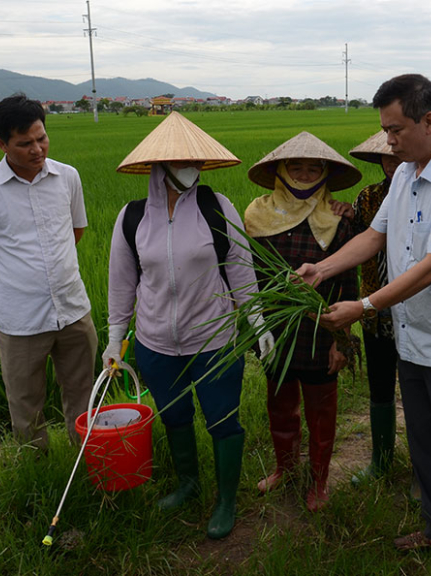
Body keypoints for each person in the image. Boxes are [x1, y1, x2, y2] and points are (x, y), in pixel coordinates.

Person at [297, 74, 431, 576]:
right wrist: (322, 268)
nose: (388, 141)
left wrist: (364, 307)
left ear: (428, 122)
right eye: (386, 130)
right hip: (412, 339)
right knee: (425, 444)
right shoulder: (406, 176)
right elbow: (373, 237)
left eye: (395, 130)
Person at [104, 112, 274, 540]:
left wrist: (257, 323)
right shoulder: (132, 218)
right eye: (180, 162)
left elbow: (240, 271)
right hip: (155, 343)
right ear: (159, 166)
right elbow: (122, 285)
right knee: (175, 416)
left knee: (223, 420)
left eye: (194, 161)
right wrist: (113, 338)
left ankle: (226, 499)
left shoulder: (218, 209)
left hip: (213, 339)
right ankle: (188, 484)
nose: (189, 169)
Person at [0, 94, 98, 453]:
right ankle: (37, 475)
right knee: (26, 407)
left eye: (42, 138)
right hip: (21, 321)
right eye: (25, 143)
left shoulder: (68, 177)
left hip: (72, 309)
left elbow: (76, 231)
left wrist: (53, 271)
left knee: (83, 395)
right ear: (2, 144)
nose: (37, 149)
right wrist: (7, 283)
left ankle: (86, 463)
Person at [243, 132, 361, 512]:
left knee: (321, 408)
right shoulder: (257, 216)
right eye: (297, 167)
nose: (306, 175)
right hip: (276, 329)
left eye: (315, 169)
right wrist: (256, 327)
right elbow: (249, 278)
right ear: (281, 171)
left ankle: (319, 480)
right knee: (279, 402)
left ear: (326, 175)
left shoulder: (339, 221)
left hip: (321, 329)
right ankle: (285, 469)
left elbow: (347, 284)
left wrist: (340, 340)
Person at [328, 131, 402, 483]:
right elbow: (361, 235)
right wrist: (346, 216)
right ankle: (381, 460)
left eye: (396, 156)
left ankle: (427, 464)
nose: (392, 162)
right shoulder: (370, 196)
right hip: (373, 306)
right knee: (380, 383)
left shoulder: (427, 193)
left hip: (414, 305)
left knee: (420, 388)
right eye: (385, 158)